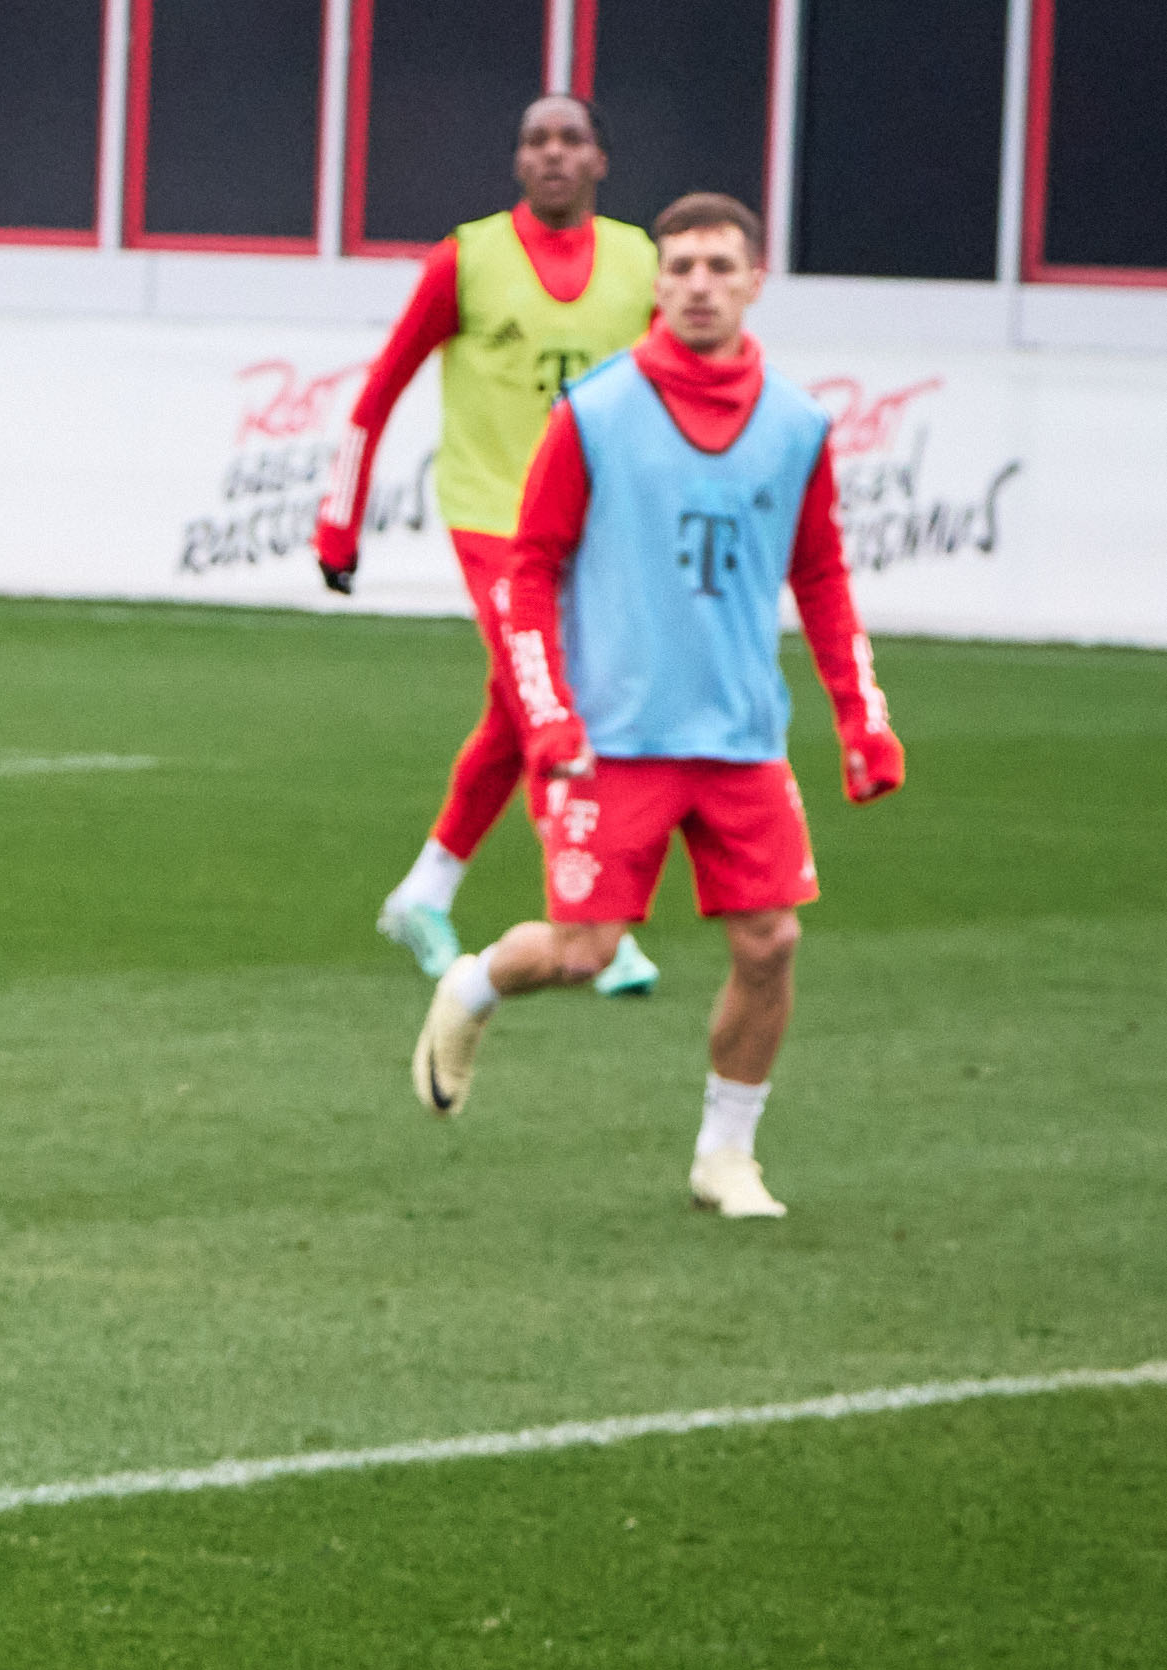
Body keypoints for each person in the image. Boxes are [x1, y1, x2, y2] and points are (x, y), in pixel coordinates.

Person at [408, 194, 902, 1220]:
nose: (696, 284)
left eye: (719, 266)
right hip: (612, 740)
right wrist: (546, 712)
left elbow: (818, 576)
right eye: (677, 267)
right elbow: (527, 570)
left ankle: (724, 1153)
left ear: (754, 279)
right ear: (656, 283)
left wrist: (860, 715)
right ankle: (472, 984)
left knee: (770, 941)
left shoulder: (797, 423)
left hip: (739, 740)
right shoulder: (592, 410)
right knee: (583, 952)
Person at [320, 94, 664, 1000]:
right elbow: (381, 385)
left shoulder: (641, 264)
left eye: (570, 139)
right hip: (493, 523)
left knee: (520, 711)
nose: (553, 154)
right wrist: (337, 519)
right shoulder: (466, 260)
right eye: (535, 140)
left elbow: (674, 397)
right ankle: (589, 918)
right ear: (517, 162)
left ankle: (424, 891)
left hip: (594, 531)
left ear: (600, 159)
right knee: (544, 698)